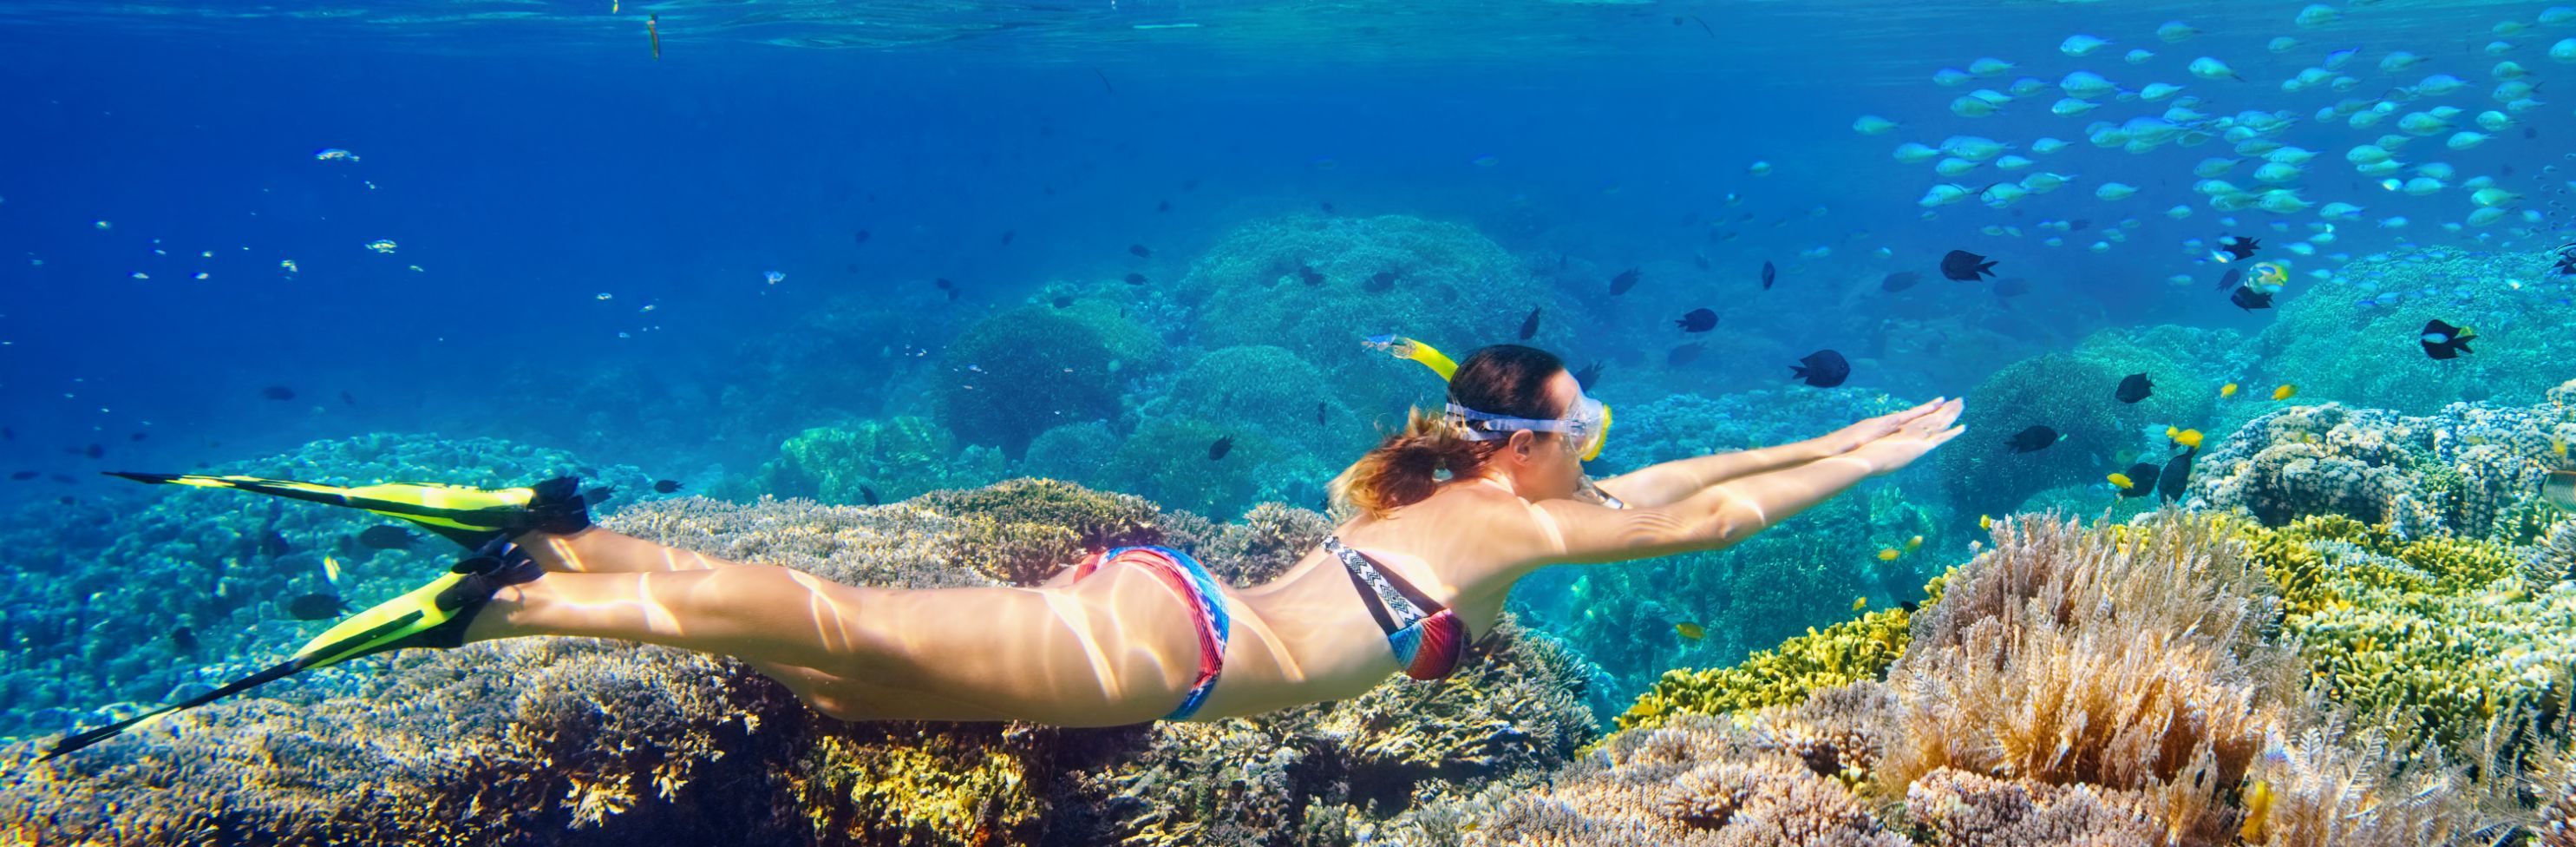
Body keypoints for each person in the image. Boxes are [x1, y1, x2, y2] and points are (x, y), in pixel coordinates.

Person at [53, 345, 1964, 755]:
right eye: (1593, 430)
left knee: (836, 658)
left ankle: (548, 568)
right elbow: (1708, 503)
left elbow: (1695, 465)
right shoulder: (1504, 530)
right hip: (1162, 655)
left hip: (1154, 601)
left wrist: (1843, 428)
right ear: (1543, 450)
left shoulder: (1423, 489)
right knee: (836, 632)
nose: (1617, 456)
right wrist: (1846, 466)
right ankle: (529, 566)